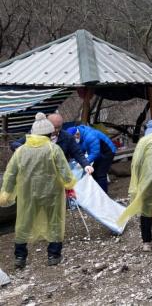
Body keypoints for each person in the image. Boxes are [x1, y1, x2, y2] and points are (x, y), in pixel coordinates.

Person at [0, 112, 76, 268]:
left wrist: (6, 193)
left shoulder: (21, 151)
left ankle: (20, 257)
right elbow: (65, 172)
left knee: (23, 223)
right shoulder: (53, 149)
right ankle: (53, 255)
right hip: (52, 194)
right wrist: (69, 185)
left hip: (27, 194)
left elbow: (11, 173)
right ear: (49, 133)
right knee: (54, 221)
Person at [10, 113, 92, 173]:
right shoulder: (35, 134)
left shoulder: (67, 137)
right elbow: (15, 144)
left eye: (58, 127)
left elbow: (77, 153)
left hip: (59, 174)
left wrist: (86, 165)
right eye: (53, 127)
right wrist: (24, 149)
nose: (56, 130)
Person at [67, 125, 117, 194]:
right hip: (98, 152)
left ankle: (104, 195)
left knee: (100, 173)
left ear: (77, 135)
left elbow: (95, 153)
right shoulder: (79, 137)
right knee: (94, 173)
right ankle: (97, 193)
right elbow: (80, 151)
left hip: (107, 151)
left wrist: (84, 162)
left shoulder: (90, 136)